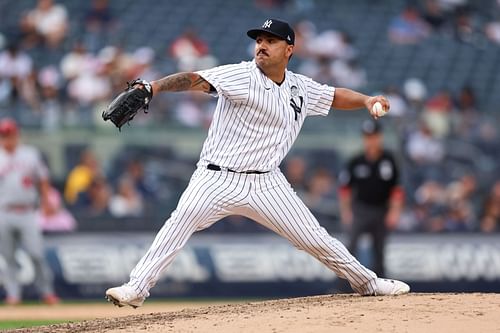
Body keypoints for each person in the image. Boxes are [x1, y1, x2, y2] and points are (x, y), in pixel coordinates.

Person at [105, 18, 410, 308]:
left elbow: (334, 97)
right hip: (216, 178)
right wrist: (152, 88)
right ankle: (137, 288)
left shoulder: (299, 87)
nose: (261, 45)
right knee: (179, 222)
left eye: (271, 41)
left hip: (267, 182)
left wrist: (367, 100)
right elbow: (195, 79)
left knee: (315, 239)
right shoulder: (241, 75)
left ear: (289, 49)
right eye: (259, 40)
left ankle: (368, 283)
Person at [0, 118, 60, 305]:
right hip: (4, 211)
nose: (8, 138)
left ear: (17, 135)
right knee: (8, 256)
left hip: (27, 211)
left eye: (10, 134)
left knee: (37, 253)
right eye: (4, 135)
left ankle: (47, 292)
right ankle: (13, 295)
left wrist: (46, 199)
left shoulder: (30, 155)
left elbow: (42, 179)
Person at [338, 120, 404, 277]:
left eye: (374, 136)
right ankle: (343, 284)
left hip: (381, 210)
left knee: (379, 249)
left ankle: (381, 283)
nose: (371, 140)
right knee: (350, 247)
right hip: (360, 210)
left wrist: (394, 212)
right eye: (367, 137)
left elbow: (397, 189)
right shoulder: (356, 161)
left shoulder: (389, 160)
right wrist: (346, 212)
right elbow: (345, 189)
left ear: (379, 137)